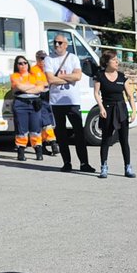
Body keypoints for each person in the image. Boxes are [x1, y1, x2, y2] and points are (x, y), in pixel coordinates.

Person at [44, 35, 93, 173]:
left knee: (79, 133)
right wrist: (68, 78)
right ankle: (67, 163)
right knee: (61, 134)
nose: (57, 45)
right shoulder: (49, 59)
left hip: (72, 101)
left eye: (60, 42)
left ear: (66, 44)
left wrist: (59, 76)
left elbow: (78, 76)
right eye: (55, 42)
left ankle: (84, 163)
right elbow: (50, 79)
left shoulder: (73, 58)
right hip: (56, 101)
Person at [96, 53, 135, 179]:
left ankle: (128, 167)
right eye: (114, 60)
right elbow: (96, 93)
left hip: (121, 109)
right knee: (106, 139)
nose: (117, 62)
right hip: (107, 109)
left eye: (117, 60)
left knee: (124, 140)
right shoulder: (100, 76)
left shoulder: (122, 77)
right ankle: (104, 167)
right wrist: (101, 108)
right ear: (107, 62)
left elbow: (130, 95)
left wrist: (134, 111)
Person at [10, 55, 48, 161]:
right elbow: (19, 87)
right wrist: (33, 86)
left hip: (34, 103)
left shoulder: (34, 75)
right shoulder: (14, 76)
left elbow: (41, 88)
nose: (23, 65)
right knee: (21, 130)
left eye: (25, 62)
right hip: (20, 104)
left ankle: (38, 151)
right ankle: (21, 152)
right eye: (20, 63)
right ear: (16, 65)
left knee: (36, 128)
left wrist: (26, 88)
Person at [34, 50, 59, 155]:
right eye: (41, 58)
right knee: (46, 121)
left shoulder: (48, 69)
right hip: (39, 97)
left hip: (48, 96)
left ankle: (43, 144)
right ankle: (53, 142)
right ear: (37, 58)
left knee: (46, 121)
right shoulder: (34, 70)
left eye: (45, 58)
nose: (43, 60)